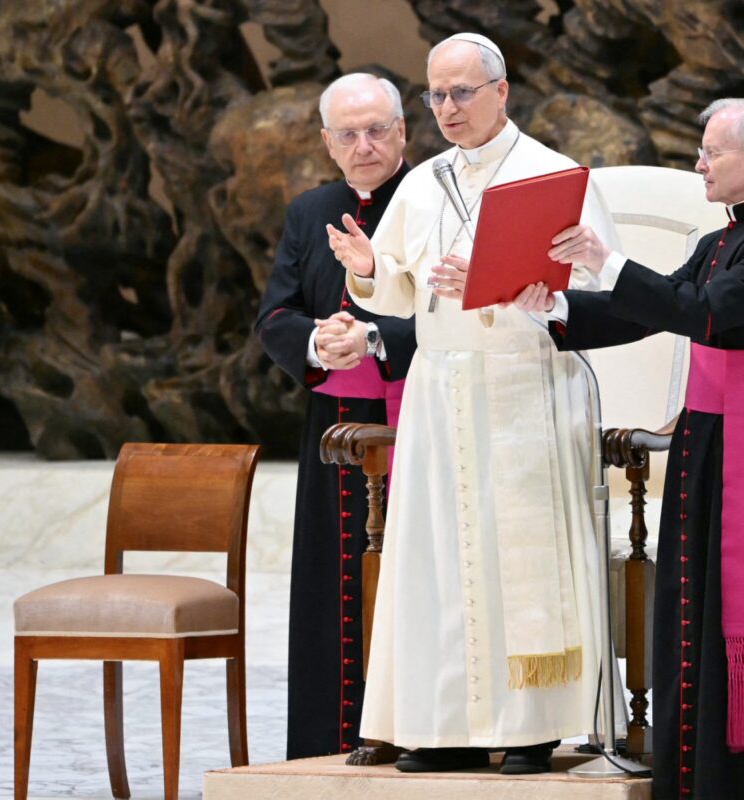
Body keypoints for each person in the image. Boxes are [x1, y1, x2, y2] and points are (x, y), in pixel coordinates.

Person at [525, 97, 744, 799]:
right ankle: (697, 768)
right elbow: (656, 306)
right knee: (690, 601)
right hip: (706, 446)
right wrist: (555, 309)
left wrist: (607, 259)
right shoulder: (719, 240)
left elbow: (706, 314)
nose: (699, 163)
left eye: (711, 153)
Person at [326, 33, 620, 774]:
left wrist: (525, 288)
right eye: (436, 95)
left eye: (461, 92)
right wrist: (369, 272)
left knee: (515, 558)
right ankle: (441, 726)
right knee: (438, 558)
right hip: (440, 387)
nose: (447, 108)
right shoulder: (423, 182)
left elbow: (599, 286)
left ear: (501, 90)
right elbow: (396, 285)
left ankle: (531, 726)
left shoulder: (554, 176)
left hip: (526, 384)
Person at [255, 73, 416, 760]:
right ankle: (329, 739)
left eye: (377, 129)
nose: (364, 144)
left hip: (418, 420)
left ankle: (417, 734)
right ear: (326, 142)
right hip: (336, 427)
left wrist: (376, 337)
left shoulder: (434, 199)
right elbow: (276, 313)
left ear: (403, 132)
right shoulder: (308, 210)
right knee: (334, 586)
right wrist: (316, 341)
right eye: (348, 134)